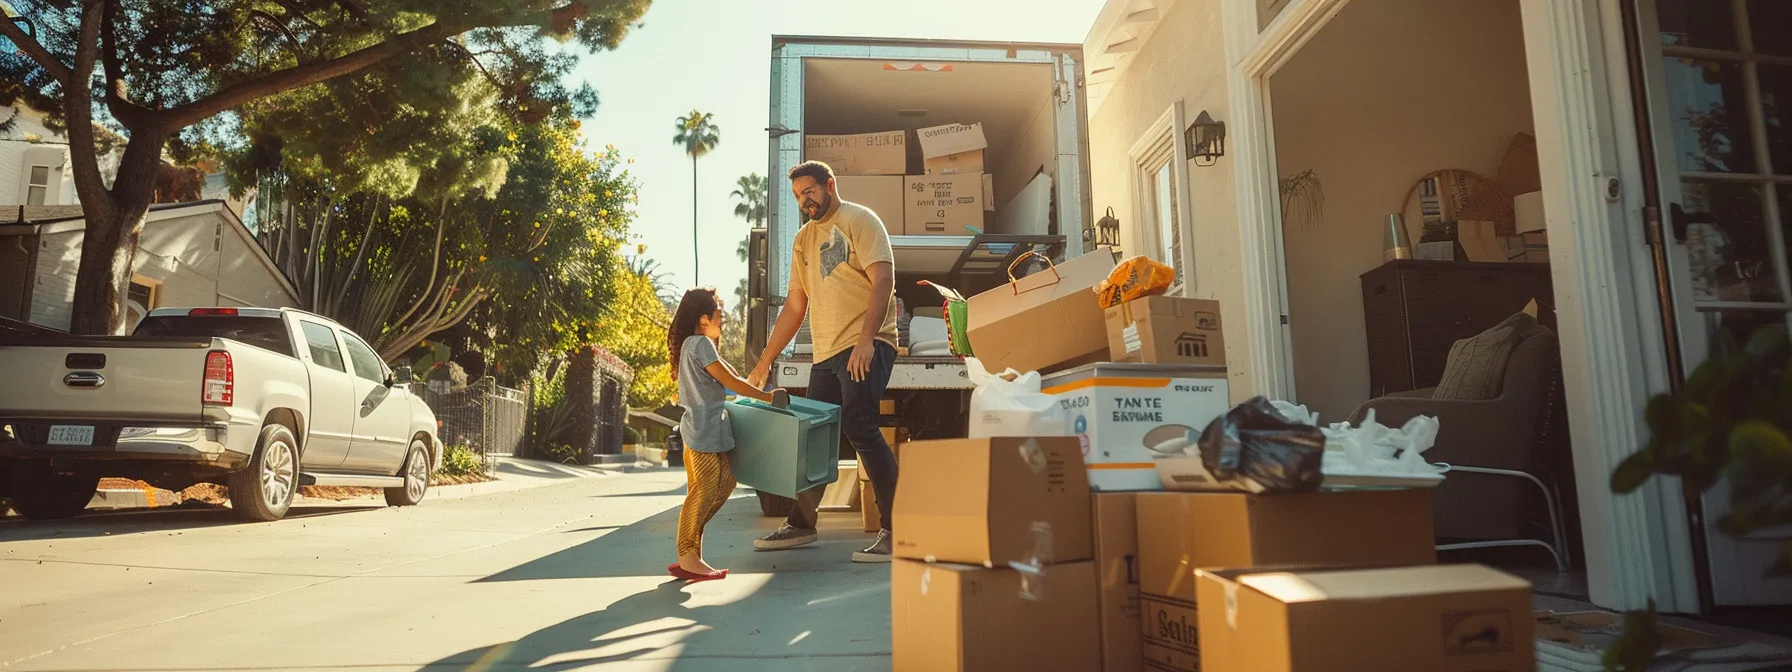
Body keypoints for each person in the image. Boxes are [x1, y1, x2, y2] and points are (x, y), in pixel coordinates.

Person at [746, 160, 900, 563]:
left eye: (810, 191)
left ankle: (899, 530)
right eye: (799, 195)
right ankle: (801, 523)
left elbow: (883, 278)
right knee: (815, 436)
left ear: (830, 185)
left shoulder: (860, 220)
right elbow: (796, 306)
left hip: (866, 344)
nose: (805, 200)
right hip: (826, 352)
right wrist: (765, 362)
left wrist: (867, 340)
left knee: (861, 427)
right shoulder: (802, 240)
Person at [668, 287, 788, 582]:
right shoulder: (701, 344)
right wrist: (768, 398)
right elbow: (729, 381)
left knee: (725, 482)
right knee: (704, 491)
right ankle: (688, 555)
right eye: (718, 313)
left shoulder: (692, 345)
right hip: (704, 431)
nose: (722, 319)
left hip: (700, 428)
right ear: (703, 318)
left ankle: (690, 551)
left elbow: (728, 377)